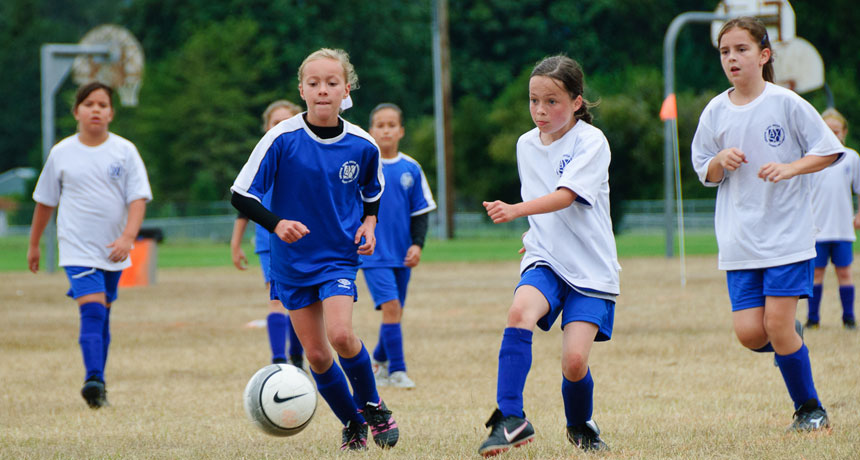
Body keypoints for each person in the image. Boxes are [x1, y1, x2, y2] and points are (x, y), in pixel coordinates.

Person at [230, 48, 398, 452]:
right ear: (302, 90)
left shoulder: (362, 144)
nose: (323, 90)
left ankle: (373, 405)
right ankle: (352, 424)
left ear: (346, 89)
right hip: (290, 262)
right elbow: (239, 194)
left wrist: (369, 223)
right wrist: (277, 223)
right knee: (318, 355)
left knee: (341, 335)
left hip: (338, 256)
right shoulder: (281, 138)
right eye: (314, 83)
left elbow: (373, 189)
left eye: (332, 83)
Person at [691, 17, 843, 432]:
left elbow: (830, 151)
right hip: (739, 240)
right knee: (749, 334)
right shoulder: (715, 110)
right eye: (725, 52)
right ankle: (788, 338)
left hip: (786, 236)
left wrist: (792, 167)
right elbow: (704, 170)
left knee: (774, 326)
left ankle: (810, 409)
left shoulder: (787, 102)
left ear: (763, 55)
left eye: (741, 49)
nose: (732, 58)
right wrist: (719, 162)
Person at [477, 55, 620, 457]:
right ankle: (511, 418)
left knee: (574, 363)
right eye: (534, 100)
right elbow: (544, 202)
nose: (541, 110)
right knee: (519, 312)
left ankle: (580, 425)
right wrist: (533, 231)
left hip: (591, 268)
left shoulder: (591, 142)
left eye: (552, 101)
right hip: (545, 258)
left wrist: (516, 211)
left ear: (576, 101)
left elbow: (566, 196)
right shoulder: (526, 143)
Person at [27, 82, 153, 409]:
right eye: (88, 104)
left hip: (113, 249)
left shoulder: (125, 151)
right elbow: (45, 203)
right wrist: (35, 244)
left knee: (103, 315)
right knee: (93, 310)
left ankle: (99, 384)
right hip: (76, 248)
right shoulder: (61, 153)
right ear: (76, 112)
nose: (95, 109)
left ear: (111, 113)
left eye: (102, 104)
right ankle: (93, 378)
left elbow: (138, 198)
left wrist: (128, 237)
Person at [362, 103, 436, 389]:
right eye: (380, 125)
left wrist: (417, 245)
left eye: (391, 125)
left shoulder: (411, 168)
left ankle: (378, 361)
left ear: (401, 131)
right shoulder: (365, 167)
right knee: (392, 308)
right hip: (373, 254)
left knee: (396, 312)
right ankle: (397, 371)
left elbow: (420, 211)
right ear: (371, 131)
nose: (386, 130)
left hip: (402, 253)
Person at [230, 99, 307, 368]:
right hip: (270, 240)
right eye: (276, 122)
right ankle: (277, 362)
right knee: (276, 300)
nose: (281, 127)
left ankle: (297, 360)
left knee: (300, 302)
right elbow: (244, 201)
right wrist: (236, 243)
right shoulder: (261, 159)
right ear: (266, 128)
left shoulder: (306, 156)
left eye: (287, 122)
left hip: (304, 238)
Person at [806, 108, 860, 330]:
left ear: (844, 132)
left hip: (842, 228)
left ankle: (848, 317)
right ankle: (813, 319)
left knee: (844, 272)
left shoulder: (851, 157)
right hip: (816, 228)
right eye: (828, 130)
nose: (833, 134)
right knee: (816, 274)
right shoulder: (811, 159)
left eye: (836, 130)